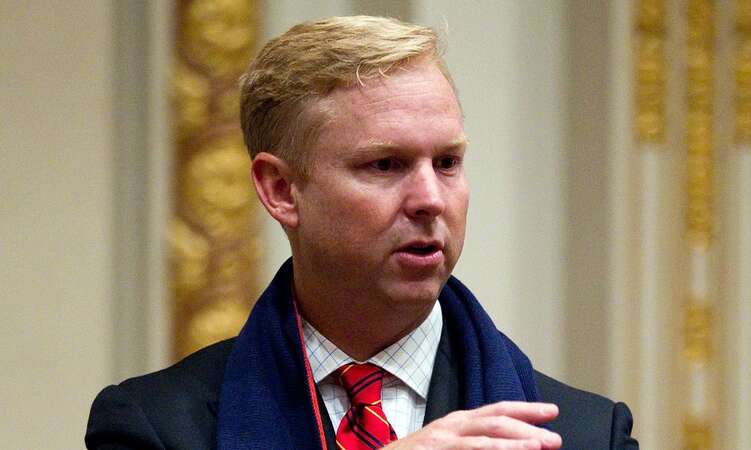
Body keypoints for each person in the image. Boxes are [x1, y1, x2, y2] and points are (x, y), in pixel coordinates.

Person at [86, 16, 638, 450]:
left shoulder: (589, 434)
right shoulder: (154, 427)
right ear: (280, 189)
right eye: (385, 165)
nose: (429, 198)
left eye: (447, 162)